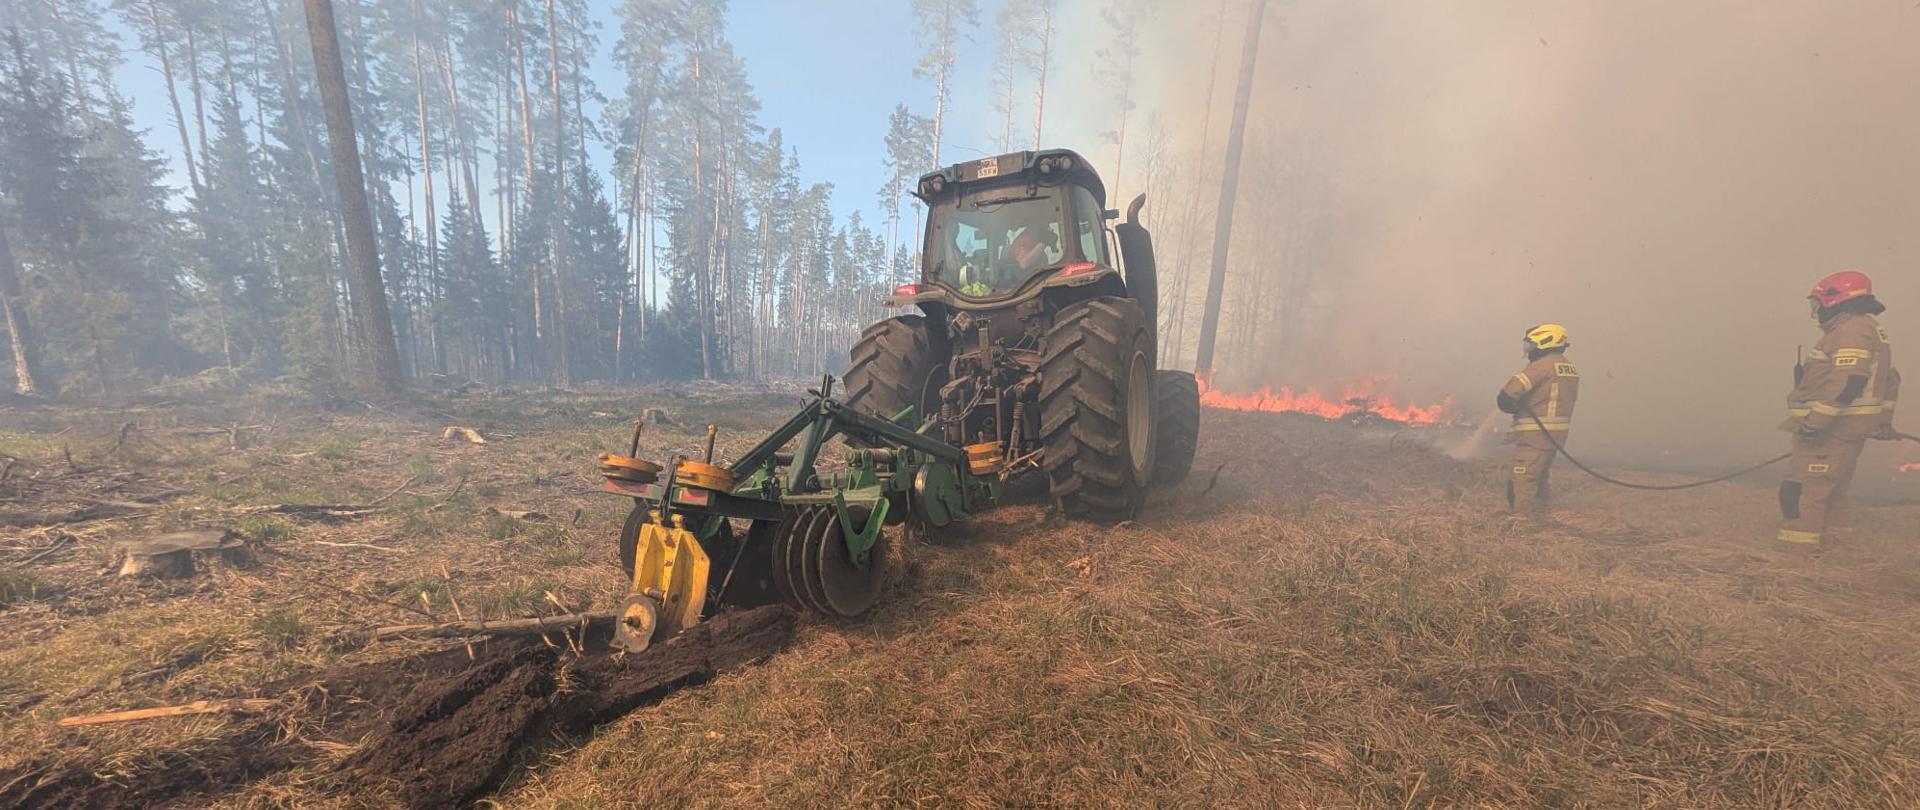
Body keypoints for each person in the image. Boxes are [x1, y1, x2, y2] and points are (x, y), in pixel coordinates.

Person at [1778, 270, 1900, 546]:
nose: (1816, 312)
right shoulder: (1865, 329)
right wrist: (1883, 421)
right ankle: (1835, 553)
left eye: (1817, 304)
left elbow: (1848, 381)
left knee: (1801, 492)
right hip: (1841, 432)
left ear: (1835, 300)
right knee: (1831, 494)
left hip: (1830, 432)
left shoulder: (1852, 331)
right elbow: (1889, 381)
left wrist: (1815, 423)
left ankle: (1795, 559)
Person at [1495, 324, 1581, 514]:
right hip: (1553, 436)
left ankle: (1524, 525)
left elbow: (1508, 395)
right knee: (1539, 478)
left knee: (1523, 479)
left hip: (1535, 435)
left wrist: (1510, 403)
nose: (1529, 350)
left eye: (1531, 345)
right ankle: (1541, 519)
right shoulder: (1566, 366)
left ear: (1545, 342)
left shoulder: (1542, 366)